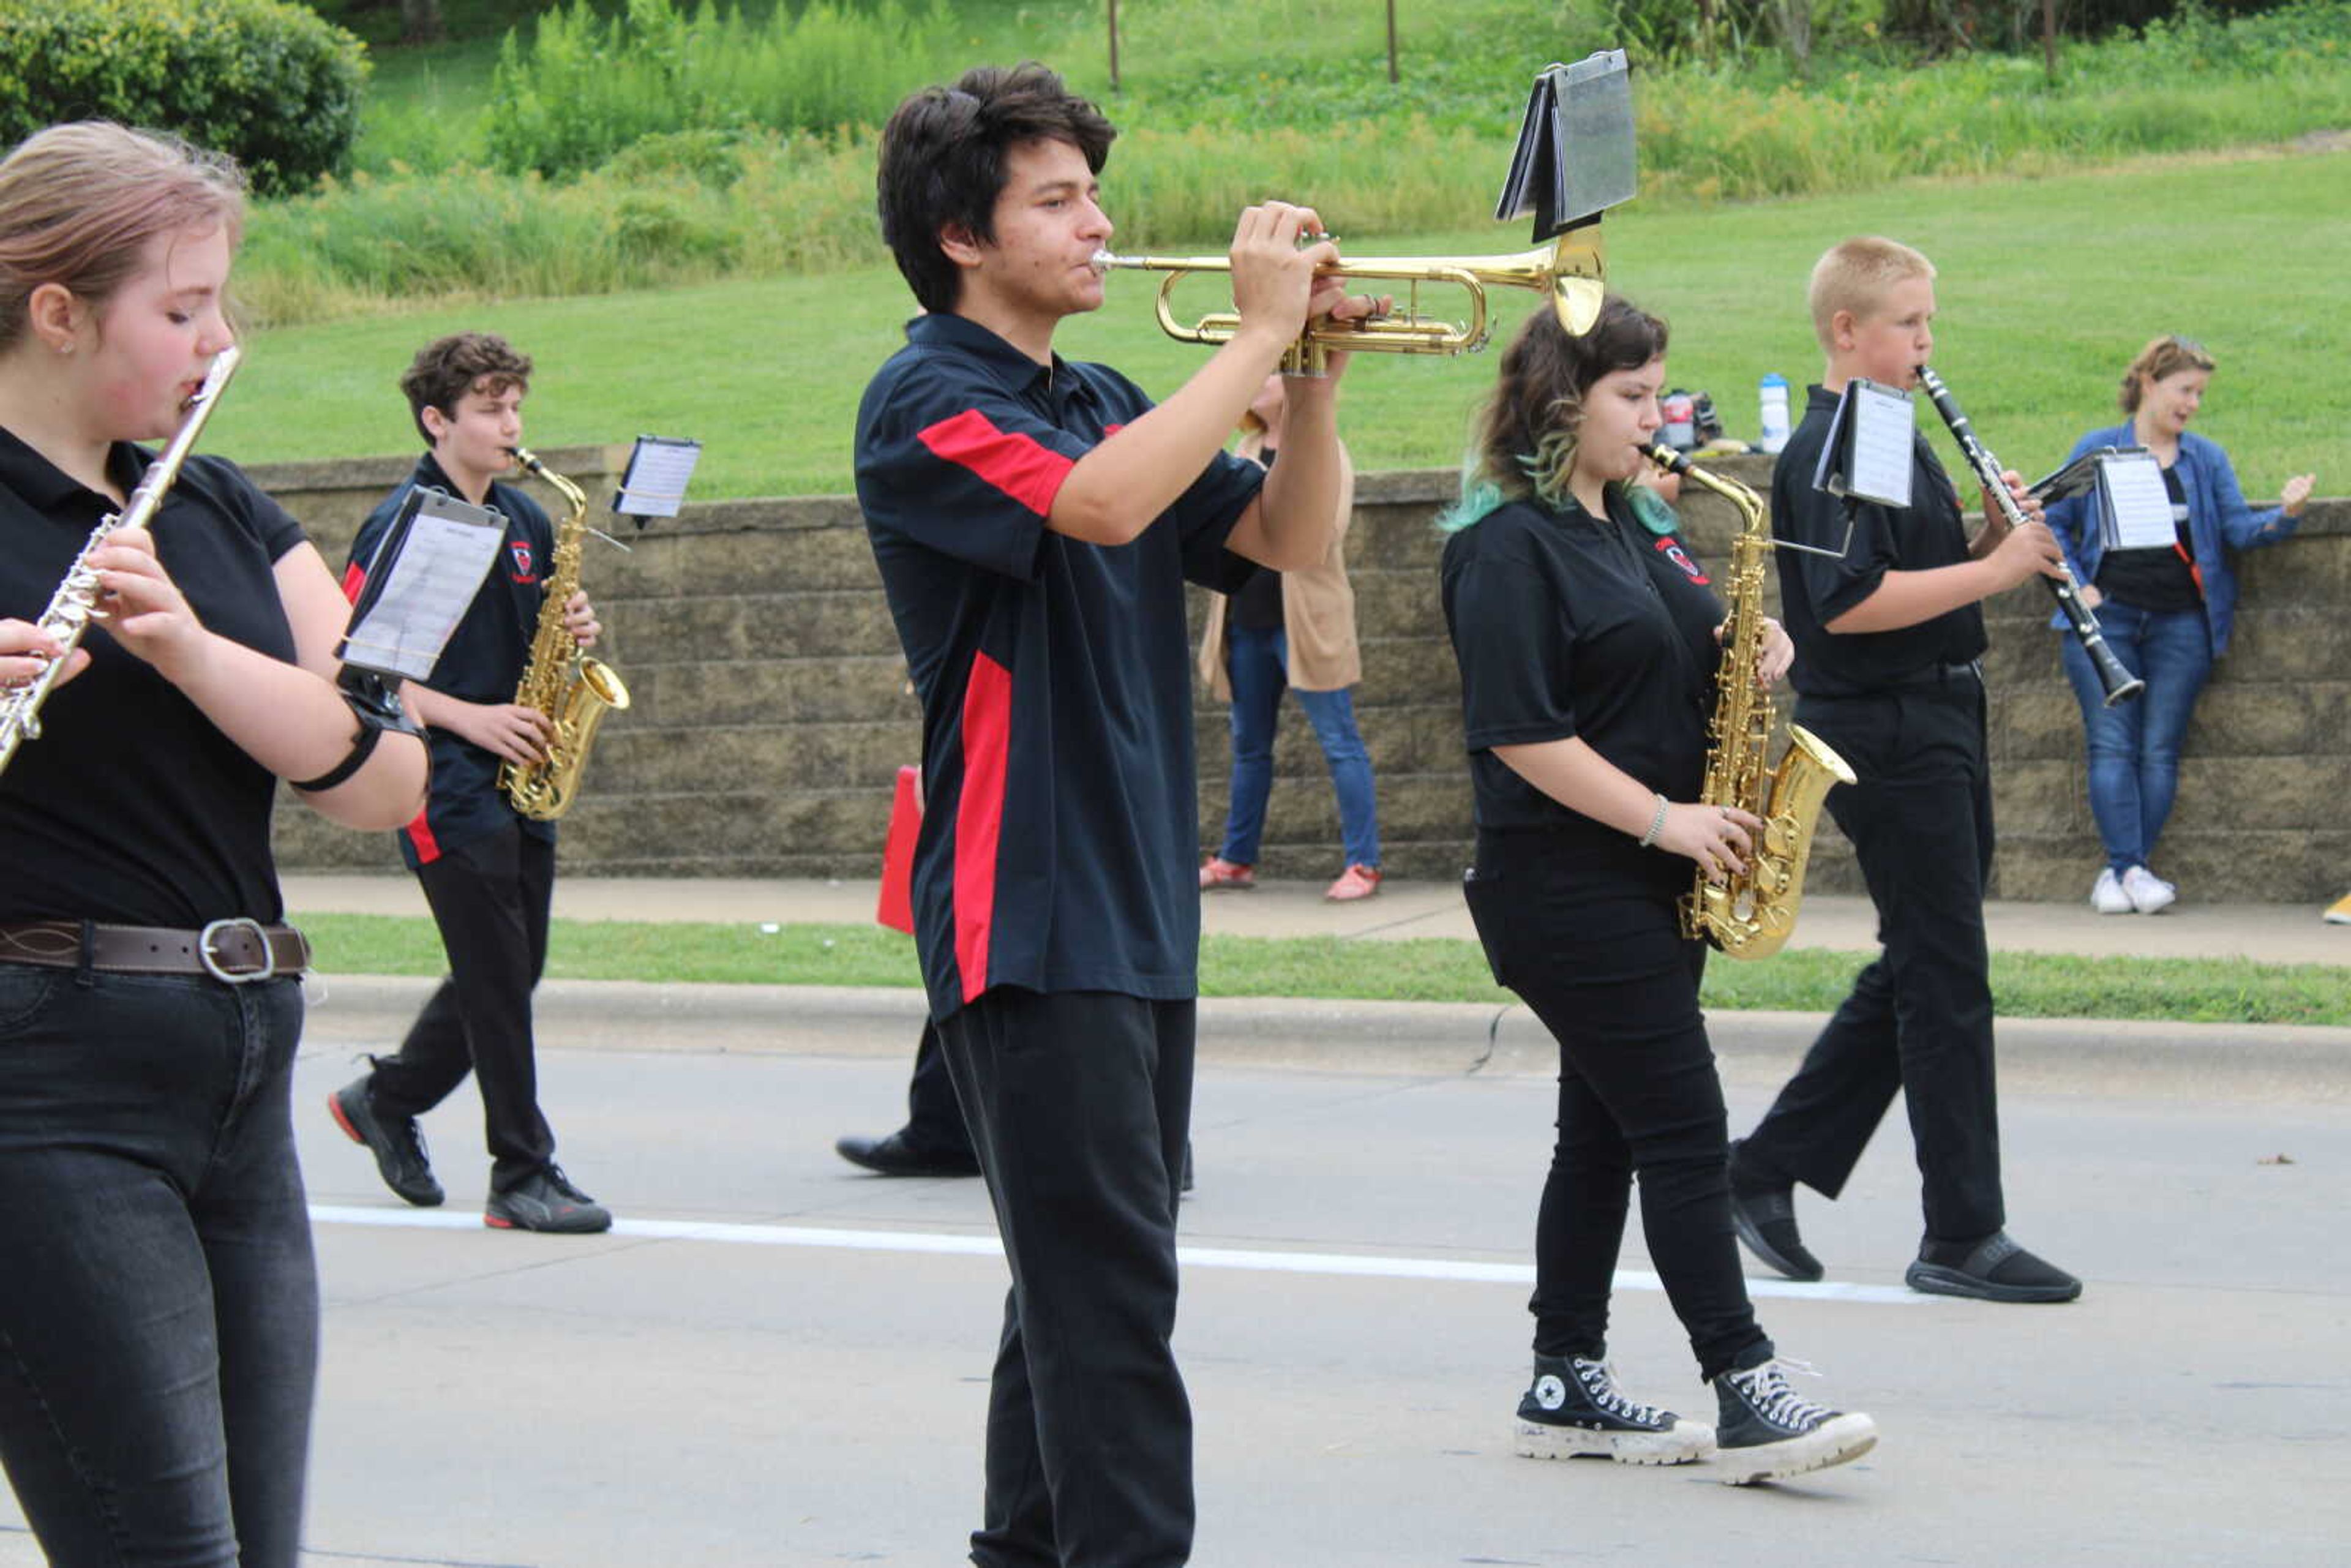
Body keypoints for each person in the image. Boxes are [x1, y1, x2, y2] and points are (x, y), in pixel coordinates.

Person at [856, 62, 1373, 1567]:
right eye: (1057, 199)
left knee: (1075, 1287)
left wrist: (1313, 382)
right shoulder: (924, 401)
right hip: (1026, 906)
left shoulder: (1102, 393)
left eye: (1093, 192)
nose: (1098, 224)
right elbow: (1091, 504)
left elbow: (1283, 535)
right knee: (1112, 1303)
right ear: (962, 232)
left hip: (1134, 897)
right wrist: (1258, 333)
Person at [0, 122, 427, 1566]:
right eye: (181, 309)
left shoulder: (223, 507)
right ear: (57, 313)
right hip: (44, 1067)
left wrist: (183, 647)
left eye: (220, 302)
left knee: (258, 1544)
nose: (218, 339)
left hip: (243, 1048)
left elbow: (383, 774)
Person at [1441, 294, 1877, 1486]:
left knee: (1604, 1131)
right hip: (1564, 881)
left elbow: (1682, 644)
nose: (1659, 415)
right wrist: (1668, 818)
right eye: (1633, 396)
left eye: (1659, 391)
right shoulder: (1502, 545)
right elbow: (1521, 733)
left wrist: (1759, 647)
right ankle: (1745, 1381)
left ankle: (1562, 1373)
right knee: (1686, 1129)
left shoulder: (1638, 517)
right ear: (1558, 402)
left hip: (1648, 880)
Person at [1724, 236, 2083, 1304]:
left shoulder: (1887, 428)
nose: (1928, 345)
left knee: (1928, 960)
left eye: (1929, 324)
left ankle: (1764, 1169)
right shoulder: (1835, 442)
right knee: (1946, 975)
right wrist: (1998, 566)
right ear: (1847, 331)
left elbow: (1913, 571)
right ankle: (1963, 1232)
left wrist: (1986, 530)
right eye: (1909, 325)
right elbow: (1851, 603)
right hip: (1885, 725)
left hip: (1935, 708)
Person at [324, 331, 613, 1235]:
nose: (512, 424)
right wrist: (469, 717)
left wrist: (573, 630)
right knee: (496, 977)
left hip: (519, 768)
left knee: (514, 967)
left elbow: (530, 642)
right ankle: (523, 1173)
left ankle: (388, 1097)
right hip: (439, 775)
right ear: (437, 420)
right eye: (490, 408)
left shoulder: (527, 519)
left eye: (515, 405)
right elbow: (359, 666)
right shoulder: (408, 521)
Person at [2042, 333, 2315, 915]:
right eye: (2184, 389)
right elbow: (2051, 521)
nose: (2192, 403)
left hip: (2182, 626)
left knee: (2159, 749)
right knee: (2111, 745)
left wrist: (2286, 515)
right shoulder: (2097, 448)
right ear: (2149, 382)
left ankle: (2125, 874)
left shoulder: (2205, 459)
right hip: (2105, 620)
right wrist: (2075, 582)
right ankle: (2131, 870)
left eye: (2199, 394)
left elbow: (2239, 532)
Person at [1196, 373, 1382, 901]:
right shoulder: (1247, 446)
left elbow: (1329, 530)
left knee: (1340, 743)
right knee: (1249, 747)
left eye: (1272, 372)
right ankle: (1235, 859)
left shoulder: (1324, 449)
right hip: (1248, 624)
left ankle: (1363, 865)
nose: (1256, 382)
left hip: (1306, 629)